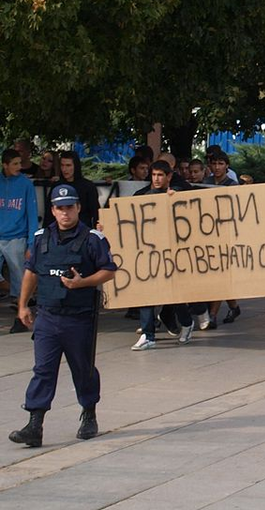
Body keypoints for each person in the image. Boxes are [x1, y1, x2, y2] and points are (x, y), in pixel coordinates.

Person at [8, 185, 117, 447]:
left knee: (83, 368)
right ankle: (35, 424)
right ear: (53, 210)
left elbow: (109, 271)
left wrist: (84, 282)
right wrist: (22, 305)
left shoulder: (93, 239)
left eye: (69, 207)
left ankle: (89, 414)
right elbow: (31, 272)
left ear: (78, 208)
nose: (65, 213)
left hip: (79, 317)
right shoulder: (41, 237)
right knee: (43, 370)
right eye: (59, 208)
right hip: (47, 315)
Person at [130, 161, 195, 350]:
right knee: (146, 292)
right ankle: (148, 335)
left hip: (172, 253)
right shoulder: (142, 197)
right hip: (149, 252)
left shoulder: (177, 196)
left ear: (169, 177)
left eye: (160, 175)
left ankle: (186, 322)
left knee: (173, 295)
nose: (156, 179)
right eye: (154, 175)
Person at [2, 149, 39, 332]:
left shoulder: (25, 184)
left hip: (17, 237)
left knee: (19, 278)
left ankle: (20, 317)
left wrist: (31, 242)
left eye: (19, 163)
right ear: (5, 165)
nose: (19, 167)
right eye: (15, 164)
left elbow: (32, 214)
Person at [45, 151, 100, 229]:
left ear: (75, 166)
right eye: (62, 165)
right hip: (60, 233)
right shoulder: (56, 186)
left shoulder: (88, 186)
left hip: (83, 232)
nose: (64, 169)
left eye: (68, 165)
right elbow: (49, 213)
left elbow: (95, 213)